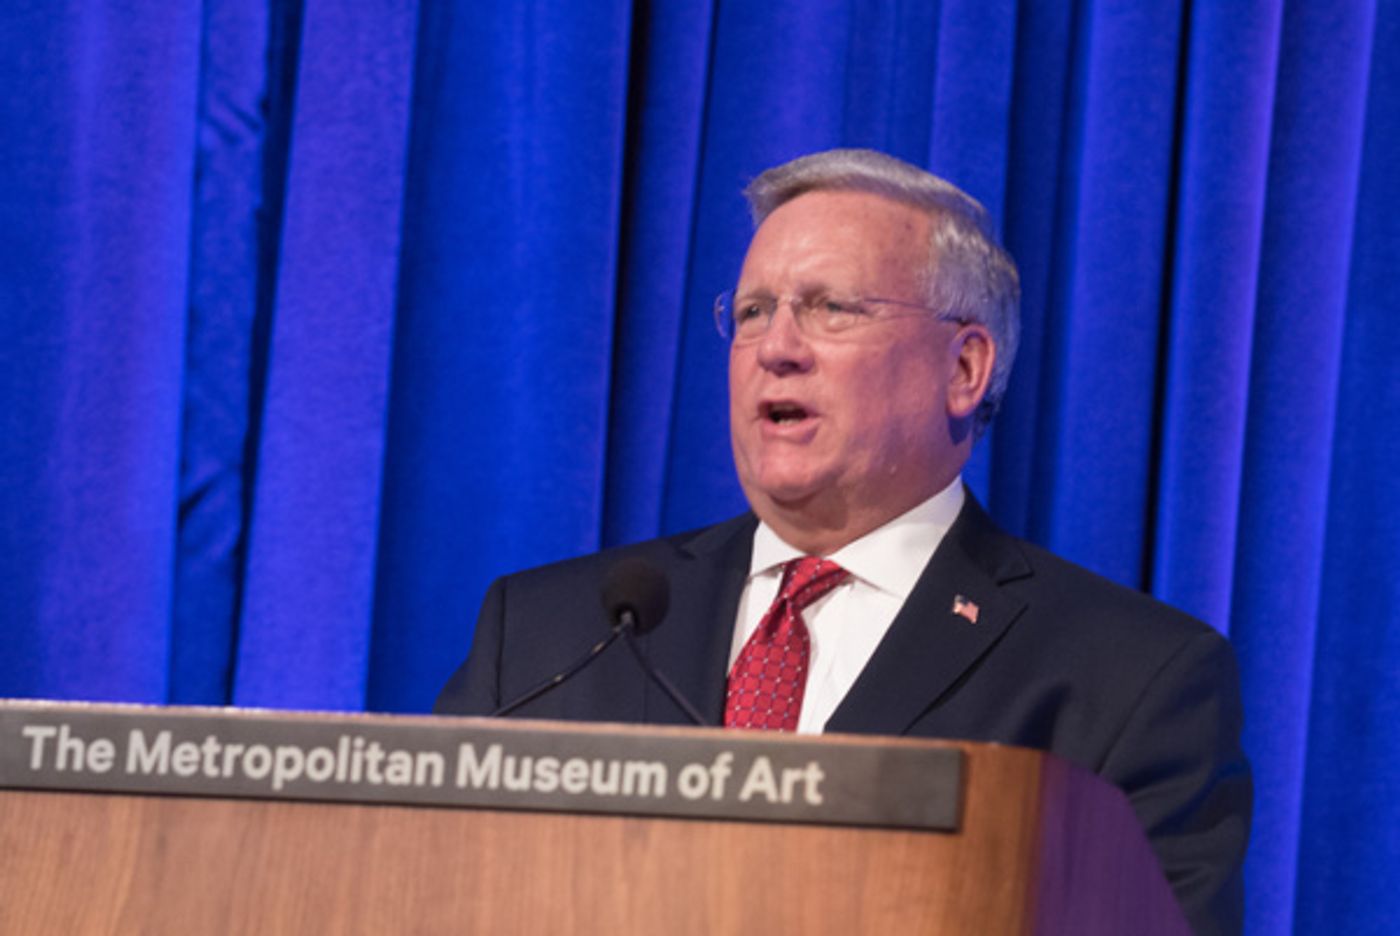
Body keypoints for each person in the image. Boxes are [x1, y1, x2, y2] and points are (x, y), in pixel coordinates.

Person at [436, 148, 1251, 936]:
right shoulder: (552, 631)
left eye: (832, 308)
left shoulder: (1129, 680)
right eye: (753, 311)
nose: (776, 348)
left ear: (965, 369)